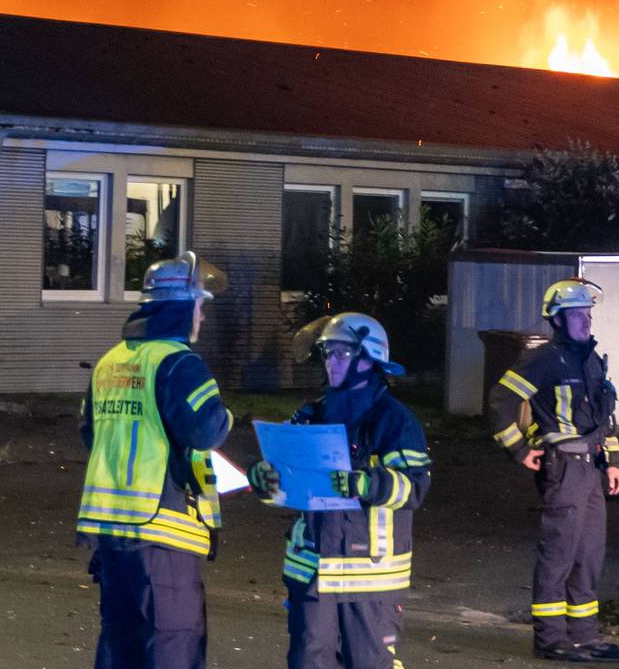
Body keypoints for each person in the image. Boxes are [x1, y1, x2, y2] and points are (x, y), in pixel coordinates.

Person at [77, 254, 232, 669]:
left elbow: (92, 435)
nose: (201, 314)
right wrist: (227, 414)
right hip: (163, 532)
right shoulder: (180, 363)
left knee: (121, 645)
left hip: (112, 532)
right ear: (184, 306)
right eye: (199, 304)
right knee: (171, 645)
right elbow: (206, 430)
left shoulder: (111, 362)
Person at [251, 313, 431, 669]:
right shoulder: (310, 415)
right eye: (327, 353)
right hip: (313, 571)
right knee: (308, 661)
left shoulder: (394, 421)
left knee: (369, 663)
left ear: (369, 358)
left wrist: (366, 483)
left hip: (370, 575)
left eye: (341, 354)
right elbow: (285, 479)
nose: (331, 362)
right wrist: (264, 479)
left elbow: (414, 487)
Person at [486, 279, 619, 662]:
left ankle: (583, 636)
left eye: (588, 313)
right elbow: (501, 398)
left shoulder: (592, 359)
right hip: (563, 469)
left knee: (589, 554)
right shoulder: (544, 359)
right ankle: (550, 640)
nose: (585, 321)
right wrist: (518, 448)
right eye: (577, 314)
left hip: (592, 469)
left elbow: (604, 418)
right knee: (559, 555)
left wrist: (613, 462)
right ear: (558, 320)